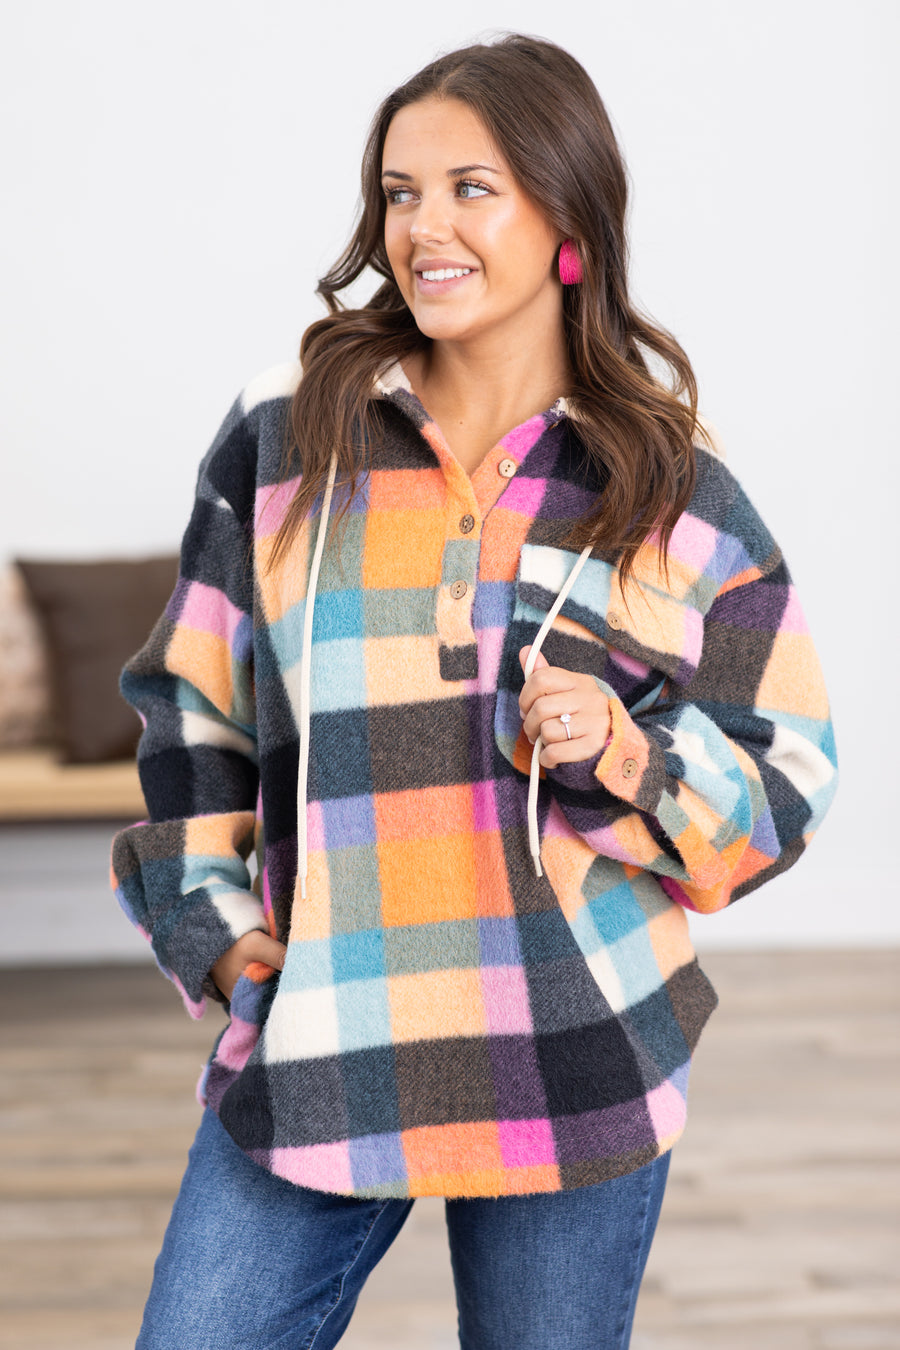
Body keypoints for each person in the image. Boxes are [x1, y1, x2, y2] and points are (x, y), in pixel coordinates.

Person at [112, 33, 838, 1350]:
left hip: (574, 1051)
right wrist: (208, 922)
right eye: (400, 192)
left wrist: (629, 755)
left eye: (471, 188)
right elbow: (190, 698)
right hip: (326, 1038)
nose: (423, 228)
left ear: (568, 218)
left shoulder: (667, 479)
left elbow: (787, 769)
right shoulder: (290, 428)